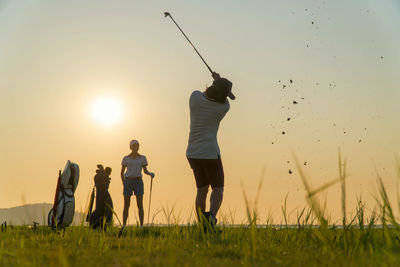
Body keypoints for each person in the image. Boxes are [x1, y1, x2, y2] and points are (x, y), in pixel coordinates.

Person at [186, 72, 235, 225]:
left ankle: (202, 222)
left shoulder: (194, 98)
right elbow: (225, 98)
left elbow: (203, 93)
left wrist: (216, 81)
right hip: (210, 153)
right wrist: (219, 80)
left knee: (201, 190)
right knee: (218, 189)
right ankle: (211, 219)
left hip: (192, 153)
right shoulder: (223, 107)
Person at [121, 140, 155, 227]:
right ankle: (124, 225)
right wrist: (123, 182)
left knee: (140, 204)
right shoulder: (126, 158)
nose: (135, 147)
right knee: (126, 204)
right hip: (128, 180)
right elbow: (122, 172)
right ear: (130, 147)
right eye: (134, 146)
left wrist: (150, 174)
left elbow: (145, 170)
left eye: (137, 146)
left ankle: (141, 226)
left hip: (138, 181)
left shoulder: (142, 158)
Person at [89, 164, 113, 230]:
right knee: (101, 210)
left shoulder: (102, 176)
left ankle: (102, 226)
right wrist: (102, 171)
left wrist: (102, 172)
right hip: (102, 195)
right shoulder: (101, 176)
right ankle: (99, 226)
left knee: (104, 211)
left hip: (102, 195)